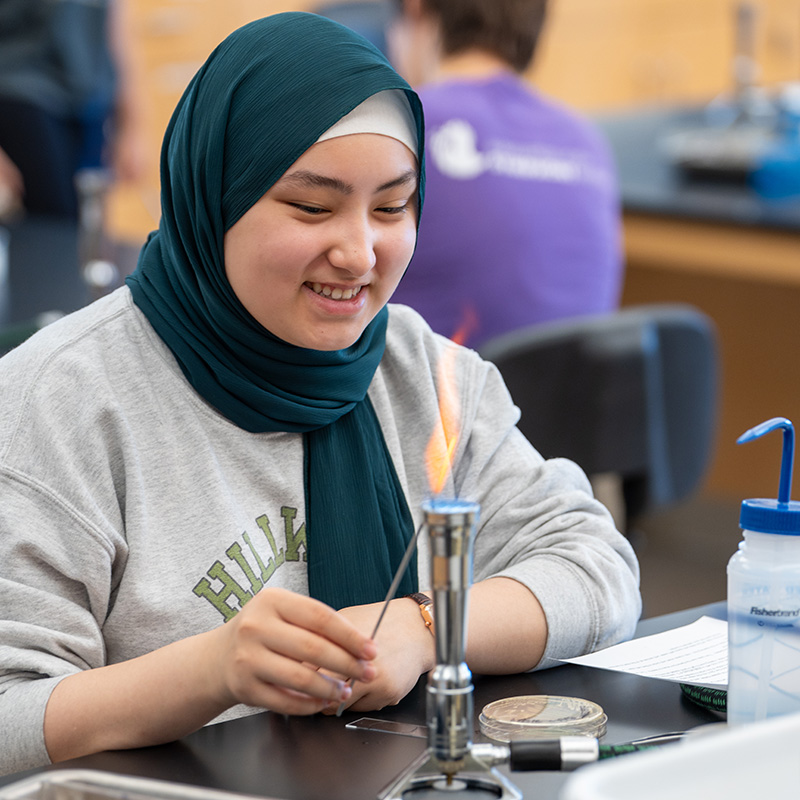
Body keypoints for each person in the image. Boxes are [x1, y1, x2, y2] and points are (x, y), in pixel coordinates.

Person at [0, 12, 640, 776]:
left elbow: (595, 568)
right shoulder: (65, 399)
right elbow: (11, 715)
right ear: (217, 196)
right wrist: (210, 672)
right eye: (311, 206)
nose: (359, 251)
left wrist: (421, 626)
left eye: (392, 207)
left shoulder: (425, 374)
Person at [386, 0, 624, 350]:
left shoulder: (403, 121)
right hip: (569, 401)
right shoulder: (586, 139)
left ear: (416, 9)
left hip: (443, 400)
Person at [0, 0, 147, 220]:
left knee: (88, 224)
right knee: (55, 222)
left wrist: (133, 129)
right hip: (23, 95)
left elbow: (118, 36)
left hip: (88, 106)